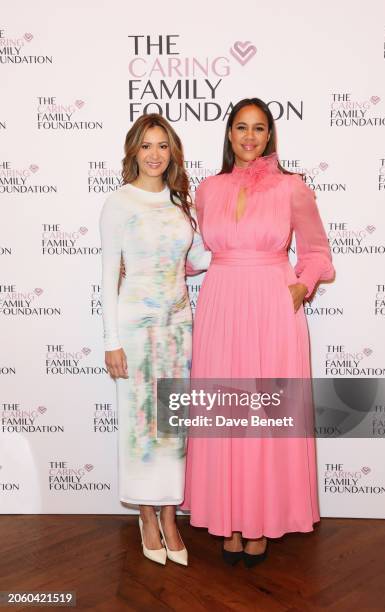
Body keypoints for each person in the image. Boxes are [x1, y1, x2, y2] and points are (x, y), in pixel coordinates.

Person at [181, 98, 335, 567]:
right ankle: (228, 518)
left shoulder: (292, 188)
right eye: (241, 128)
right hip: (221, 305)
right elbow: (194, 254)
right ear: (229, 134)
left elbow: (317, 252)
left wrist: (301, 287)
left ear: (270, 136)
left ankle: (261, 522)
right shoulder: (207, 189)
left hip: (272, 305)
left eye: (260, 129)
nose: (250, 137)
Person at [100, 113, 210, 566]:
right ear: (133, 151)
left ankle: (170, 517)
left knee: (172, 427)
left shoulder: (182, 204)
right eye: (146, 145)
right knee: (141, 430)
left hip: (179, 328)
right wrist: (111, 341)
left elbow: (202, 255)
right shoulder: (119, 204)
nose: (154, 154)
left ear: (172, 152)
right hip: (135, 331)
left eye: (162, 145)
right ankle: (146, 515)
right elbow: (108, 276)